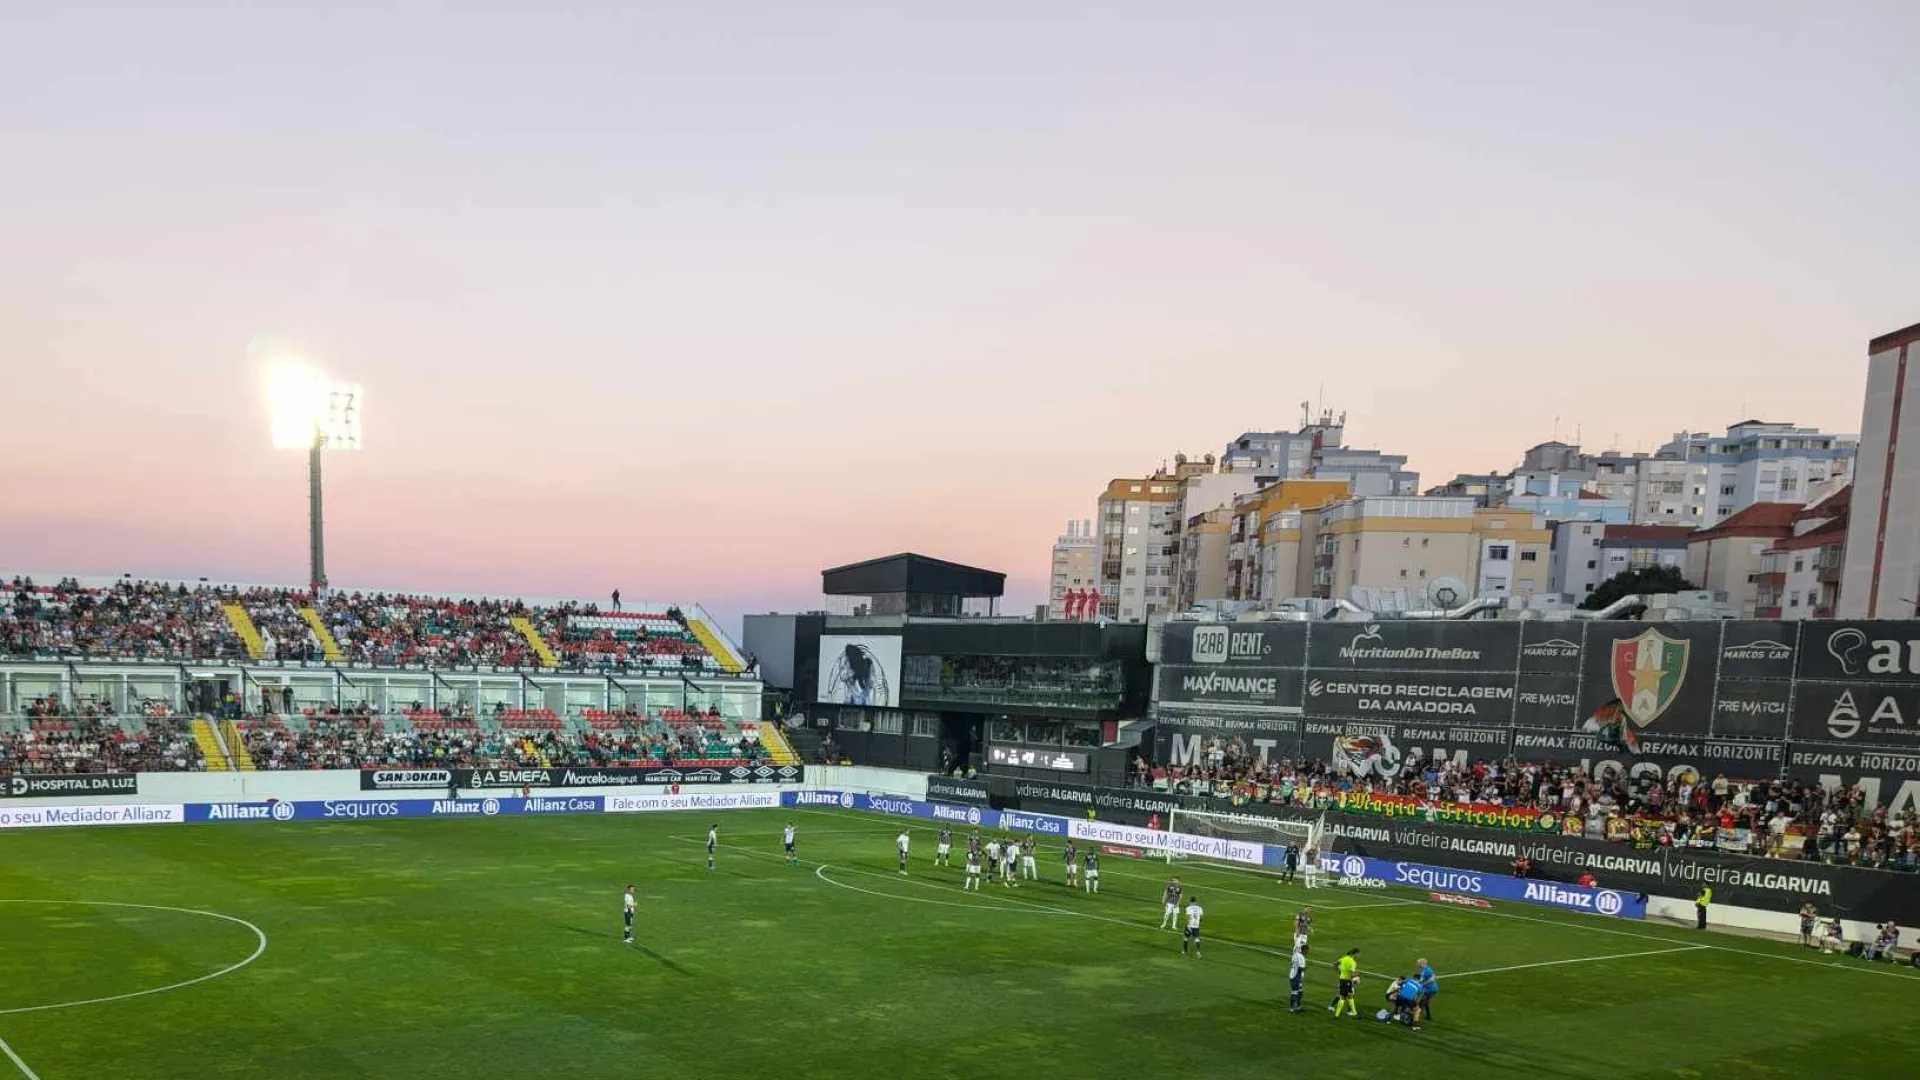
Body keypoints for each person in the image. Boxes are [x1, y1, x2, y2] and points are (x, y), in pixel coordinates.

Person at [1329, 947, 1360, 1017]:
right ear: (1355, 954)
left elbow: (1335, 964)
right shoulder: (1353, 962)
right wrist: (1356, 978)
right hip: (1348, 981)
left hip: (1342, 980)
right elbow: (1352, 974)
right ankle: (1352, 1012)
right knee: (1348, 996)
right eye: (1358, 954)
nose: (1358, 956)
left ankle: (1338, 1013)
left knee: (1344, 996)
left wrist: (1340, 972)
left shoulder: (1344, 958)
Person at [1287, 942, 1308, 1013]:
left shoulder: (1295, 955)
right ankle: (1291, 1008)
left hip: (1293, 975)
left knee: (1300, 992)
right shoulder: (1301, 957)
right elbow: (1300, 969)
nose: (1307, 952)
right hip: (1296, 976)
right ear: (1304, 950)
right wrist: (1306, 968)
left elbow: (1291, 963)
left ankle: (1298, 1007)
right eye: (1307, 950)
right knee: (1294, 992)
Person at [1181, 894, 1204, 958]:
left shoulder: (1188, 908)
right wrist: (1197, 923)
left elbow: (1188, 917)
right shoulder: (1200, 908)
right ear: (1196, 901)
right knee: (1197, 939)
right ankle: (1198, 952)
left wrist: (1187, 925)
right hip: (1196, 926)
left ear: (1190, 901)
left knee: (1186, 938)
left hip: (1190, 926)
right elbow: (1201, 918)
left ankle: (1185, 952)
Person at [1416, 958, 1437, 1022]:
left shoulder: (1427, 970)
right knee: (1426, 1003)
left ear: (1422, 963)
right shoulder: (1426, 969)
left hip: (1431, 990)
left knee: (1421, 1003)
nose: (1417, 964)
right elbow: (1433, 976)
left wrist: (1423, 984)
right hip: (1430, 989)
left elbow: (1432, 979)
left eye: (1418, 963)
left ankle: (1416, 1017)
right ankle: (1428, 1016)